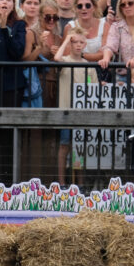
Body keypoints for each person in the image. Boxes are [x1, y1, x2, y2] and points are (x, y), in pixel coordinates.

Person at [54, 26, 91, 185]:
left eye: (81, 42)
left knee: (79, 149)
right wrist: (66, 41)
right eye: (74, 42)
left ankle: (80, 184)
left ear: (85, 44)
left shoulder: (89, 65)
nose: (77, 45)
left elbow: (93, 86)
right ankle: (62, 183)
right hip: (66, 110)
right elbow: (56, 58)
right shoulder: (65, 61)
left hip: (82, 111)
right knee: (64, 146)